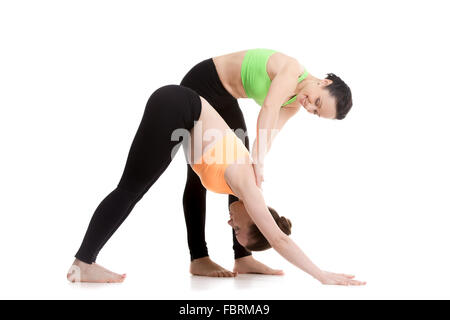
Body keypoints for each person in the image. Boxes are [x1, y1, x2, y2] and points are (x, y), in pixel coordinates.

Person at [67, 85, 364, 286]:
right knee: (131, 189)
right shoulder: (249, 186)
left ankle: (84, 262)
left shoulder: (238, 189)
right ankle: (83, 263)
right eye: (236, 229)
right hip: (179, 106)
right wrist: (322, 275)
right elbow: (279, 240)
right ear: (257, 219)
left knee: (132, 189)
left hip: (178, 110)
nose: (229, 222)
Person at [181, 48, 353, 276]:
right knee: (198, 174)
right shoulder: (291, 69)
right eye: (317, 102)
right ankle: (199, 257)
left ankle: (243, 257)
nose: (309, 107)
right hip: (202, 85)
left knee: (240, 170)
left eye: (315, 112)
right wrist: (257, 161)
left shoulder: (293, 105)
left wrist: (257, 164)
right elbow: (269, 108)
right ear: (324, 82)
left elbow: (269, 134)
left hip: (225, 99)